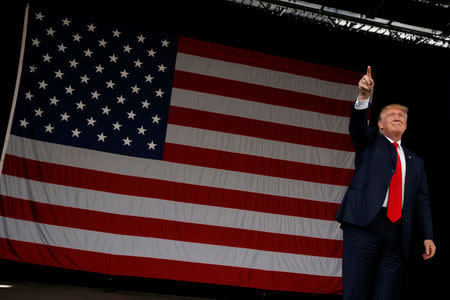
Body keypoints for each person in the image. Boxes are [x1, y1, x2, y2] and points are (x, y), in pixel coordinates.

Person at [335, 66, 436, 299]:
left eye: (402, 116)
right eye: (391, 115)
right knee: (355, 292)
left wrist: (428, 235)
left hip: (398, 232)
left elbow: (422, 200)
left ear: (407, 126)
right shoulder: (370, 142)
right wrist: (363, 97)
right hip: (364, 225)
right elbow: (357, 127)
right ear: (379, 124)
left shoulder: (416, 161)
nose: (397, 117)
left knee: (387, 294)